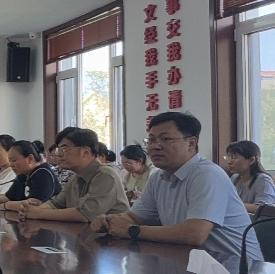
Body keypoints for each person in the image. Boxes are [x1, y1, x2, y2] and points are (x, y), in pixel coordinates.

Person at [91, 112, 262, 263]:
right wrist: (110, 222)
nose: (155, 146)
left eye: (165, 139)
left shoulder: (206, 174)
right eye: (151, 140)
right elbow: (134, 218)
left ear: (191, 143)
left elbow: (194, 234)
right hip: (193, 264)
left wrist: (133, 231)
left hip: (237, 270)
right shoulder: (158, 177)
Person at [18, 127, 128, 223]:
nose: (59, 154)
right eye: (58, 149)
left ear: (85, 152)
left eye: (64, 149)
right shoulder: (76, 177)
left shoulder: (106, 175)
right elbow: (56, 204)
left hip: (112, 239)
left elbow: (84, 215)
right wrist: (32, 210)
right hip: (83, 236)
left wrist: (38, 213)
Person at [0, 140, 59, 207]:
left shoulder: (43, 173)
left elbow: (31, 205)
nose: (10, 165)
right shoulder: (23, 175)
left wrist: (5, 205)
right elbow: (8, 197)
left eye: (13, 160)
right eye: (9, 161)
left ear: (30, 159)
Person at [224, 140, 275, 213]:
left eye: (234, 157)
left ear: (251, 160)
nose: (229, 162)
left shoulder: (263, 180)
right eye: (228, 157)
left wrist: (233, 205)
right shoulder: (235, 178)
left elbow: (263, 208)